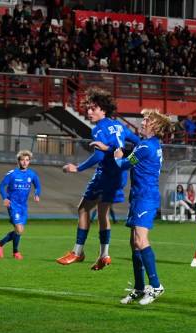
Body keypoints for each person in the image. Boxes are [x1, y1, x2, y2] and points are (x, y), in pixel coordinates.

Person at [56, 87, 139, 270]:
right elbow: (139, 144)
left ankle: (78, 252)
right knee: (102, 213)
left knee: (83, 209)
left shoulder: (99, 129)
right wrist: (128, 160)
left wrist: (77, 168)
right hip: (119, 175)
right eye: (89, 108)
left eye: (94, 108)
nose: (89, 112)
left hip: (105, 175)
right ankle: (104, 255)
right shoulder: (120, 126)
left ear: (103, 110)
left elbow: (100, 156)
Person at [117, 109, 172, 305]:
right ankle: (139, 287)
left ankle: (156, 286)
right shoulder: (151, 144)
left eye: (146, 120)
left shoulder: (145, 147)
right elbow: (135, 144)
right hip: (139, 196)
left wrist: (117, 155)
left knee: (141, 240)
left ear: (155, 127)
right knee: (134, 243)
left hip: (145, 197)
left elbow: (123, 165)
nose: (142, 122)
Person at [0, 150, 41, 259]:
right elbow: (1, 186)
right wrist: (5, 198)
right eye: (22, 160)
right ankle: (7, 247)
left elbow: (38, 186)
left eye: (27, 160)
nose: (25, 162)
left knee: (19, 231)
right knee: (19, 229)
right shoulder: (12, 174)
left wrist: (37, 194)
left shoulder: (32, 174)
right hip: (13, 204)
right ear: (18, 161)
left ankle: (8, 249)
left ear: (29, 162)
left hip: (23, 206)